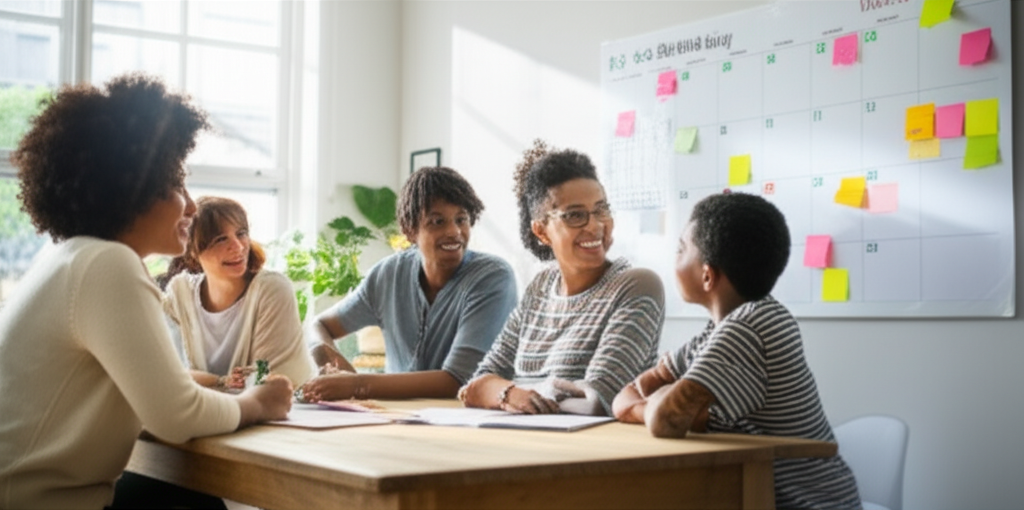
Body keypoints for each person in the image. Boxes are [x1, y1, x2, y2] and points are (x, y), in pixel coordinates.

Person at [0, 73, 292, 510]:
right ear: (133, 189)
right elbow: (177, 415)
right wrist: (257, 403)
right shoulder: (107, 263)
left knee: (186, 496)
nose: (191, 206)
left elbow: (160, 398)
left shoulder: (68, 256)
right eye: (176, 184)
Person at [611, 192, 861, 509]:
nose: (674, 260)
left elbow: (666, 420)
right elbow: (632, 392)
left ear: (707, 275)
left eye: (680, 250)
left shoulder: (750, 326)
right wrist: (668, 406)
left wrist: (658, 406)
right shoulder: (717, 332)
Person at [458, 140, 664, 416]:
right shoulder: (540, 288)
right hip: (526, 443)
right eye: (575, 215)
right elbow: (477, 383)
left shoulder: (637, 285)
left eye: (601, 209)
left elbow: (598, 398)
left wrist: (512, 392)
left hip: (596, 451)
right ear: (541, 231)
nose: (595, 225)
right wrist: (510, 393)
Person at [299, 166, 517, 401]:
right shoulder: (388, 275)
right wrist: (332, 363)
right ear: (409, 231)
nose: (454, 231)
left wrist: (356, 385)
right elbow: (319, 326)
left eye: (461, 219)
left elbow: (459, 380)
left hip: (472, 422)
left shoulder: (493, 277)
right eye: (437, 221)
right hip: (396, 418)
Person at [162, 196, 316, 390]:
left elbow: (269, 380)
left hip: (290, 412)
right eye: (220, 239)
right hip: (210, 411)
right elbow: (169, 374)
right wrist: (222, 381)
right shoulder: (179, 295)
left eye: (241, 233)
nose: (238, 246)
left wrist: (208, 383)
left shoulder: (272, 290)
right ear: (192, 250)